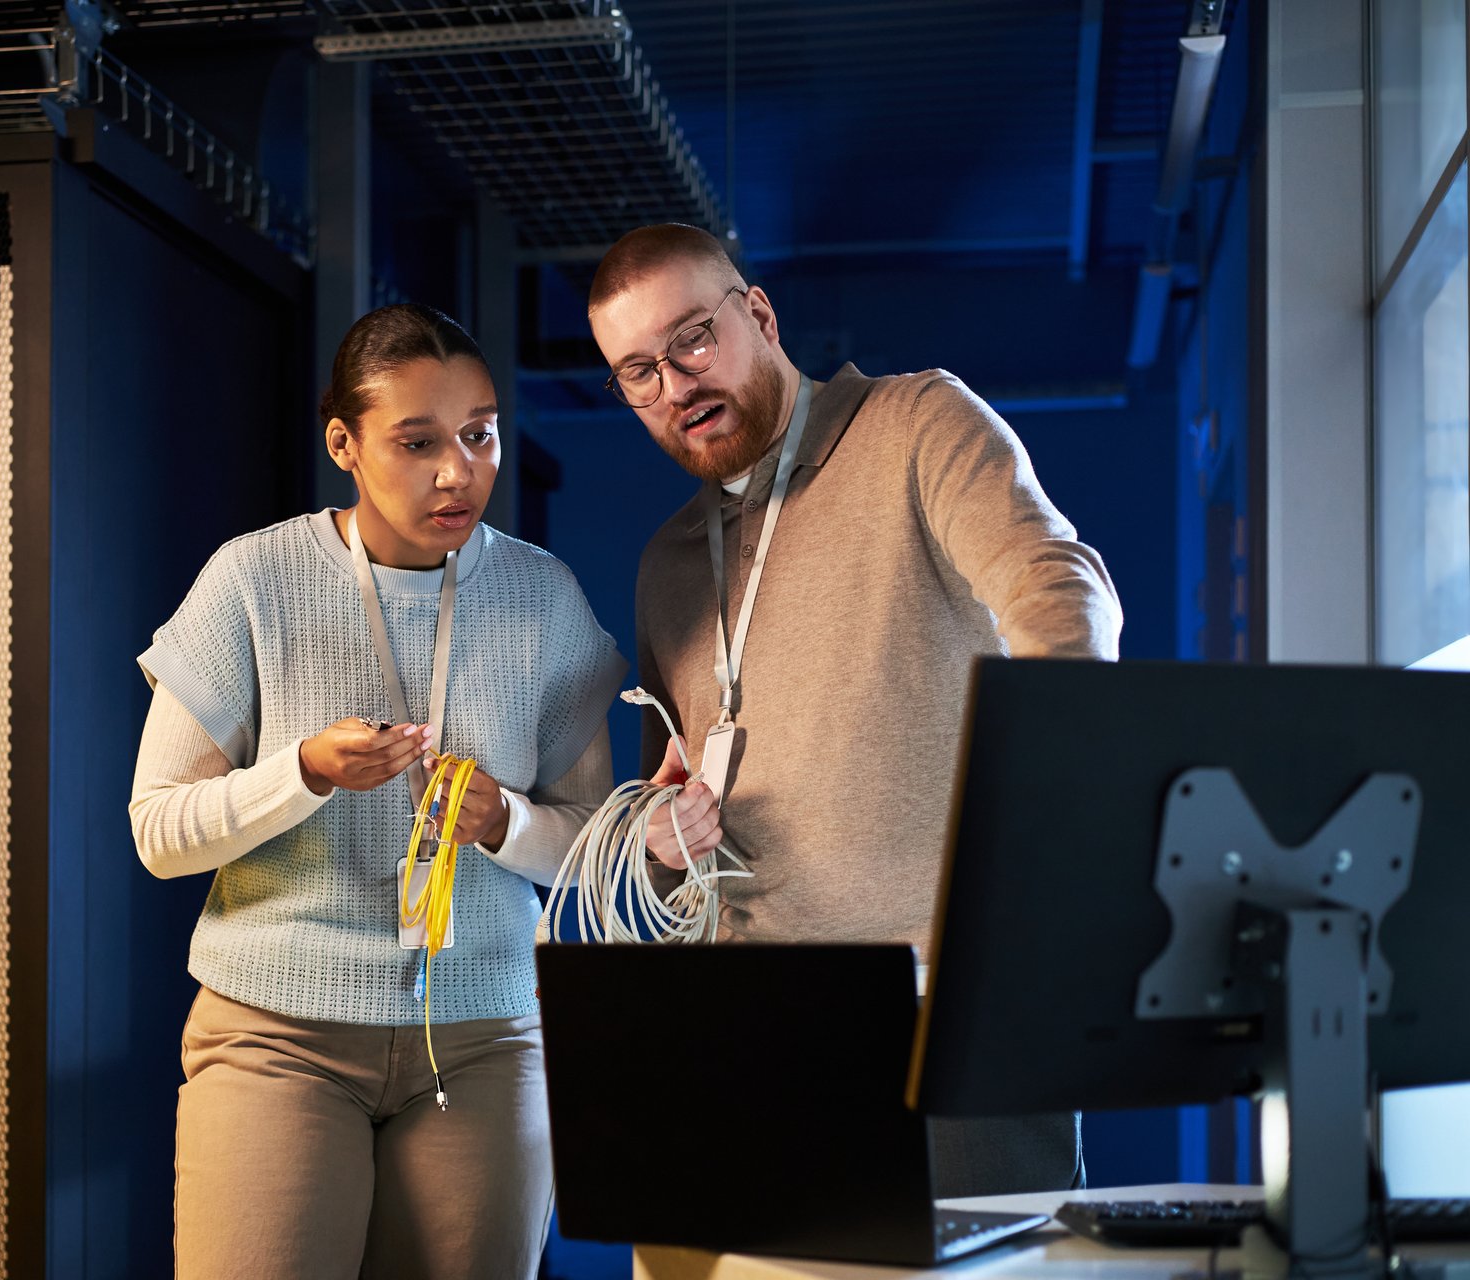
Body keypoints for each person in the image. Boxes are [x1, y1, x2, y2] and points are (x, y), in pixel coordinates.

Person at [587, 223, 1123, 1196]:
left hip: (948, 1011)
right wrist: (660, 842)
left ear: (758, 313)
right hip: (747, 1036)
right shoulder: (666, 565)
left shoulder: (916, 422)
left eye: (693, 339)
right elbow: (664, 823)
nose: (674, 386)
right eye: (637, 371)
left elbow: (1055, 581)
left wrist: (1062, 760)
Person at [129, 303, 627, 1279]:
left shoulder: (544, 597)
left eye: (478, 434)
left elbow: (591, 851)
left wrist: (504, 821)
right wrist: (304, 771)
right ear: (344, 444)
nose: (459, 470)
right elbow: (159, 831)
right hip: (279, 1032)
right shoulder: (253, 581)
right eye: (418, 441)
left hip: (485, 1034)